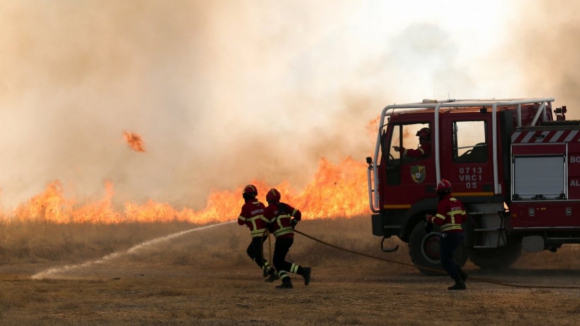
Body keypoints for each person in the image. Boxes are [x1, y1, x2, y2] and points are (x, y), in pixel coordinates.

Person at [263, 188, 311, 289]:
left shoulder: (269, 209)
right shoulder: (284, 206)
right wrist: (293, 223)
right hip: (289, 238)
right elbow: (298, 214)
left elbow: (264, 223)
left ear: (269, 199)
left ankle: (301, 272)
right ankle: (287, 280)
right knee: (279, 261)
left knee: (277, 262)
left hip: (282, 238)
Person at [425, 179, 468, 290]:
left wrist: (430, 218)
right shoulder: (457, 202)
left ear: (440, 193)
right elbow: (464, 217)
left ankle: (459, 281)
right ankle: (461, 275)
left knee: (444, 259)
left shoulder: (443, 203)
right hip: (459, 234)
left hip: (449, 234)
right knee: (448, 257)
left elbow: (440, 221)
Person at [237, 184, 278, 281]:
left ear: (247, 196)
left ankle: (272, 272)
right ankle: (265, 267)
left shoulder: (246, 206)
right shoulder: (261, 204)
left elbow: (240, 222)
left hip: (257, 235)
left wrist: (247, 220)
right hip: (264, 234)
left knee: (257, 256)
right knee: (251, 251)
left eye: (245, 195)